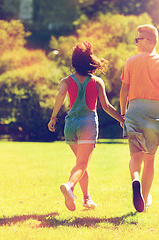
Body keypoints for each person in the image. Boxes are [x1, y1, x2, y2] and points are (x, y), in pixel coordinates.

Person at [48, 41, 124, 211]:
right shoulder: (97, 82)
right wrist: (121, 119)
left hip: (70, 125)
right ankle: (69, 186)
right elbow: (106, 106)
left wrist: (53, 118)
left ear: (73, 62)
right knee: (82, 164)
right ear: (90, 61)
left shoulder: (66, 81)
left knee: (81, 164)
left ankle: (86, 199)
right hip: (87, 125)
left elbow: (60, 95)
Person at [120, 24, 159, 212]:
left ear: (148, 40)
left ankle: (135, 179)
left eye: (138, 39)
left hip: (134, 109)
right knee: (150, 159)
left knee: (135, 156)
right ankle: (144, 200)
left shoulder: (130, 62)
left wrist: (123, 113)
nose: (136, 42)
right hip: (155, 111)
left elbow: (124, 90)